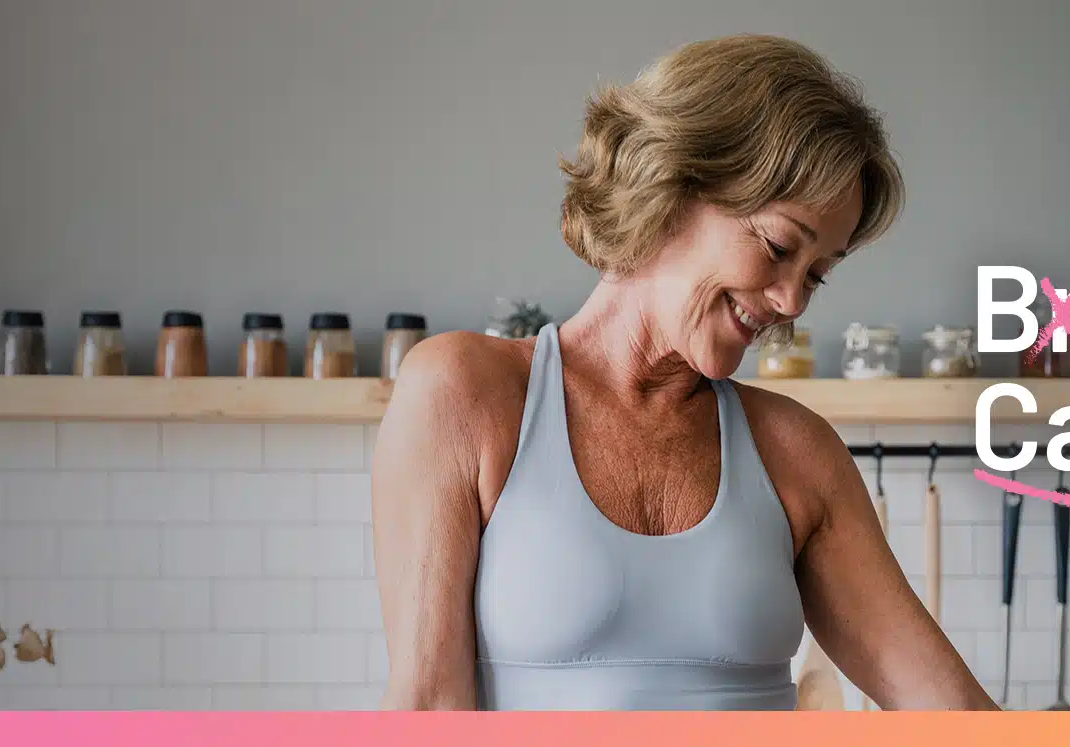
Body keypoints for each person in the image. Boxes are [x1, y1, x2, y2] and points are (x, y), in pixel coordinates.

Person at [371, 33, 993, 711]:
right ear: (673, 184)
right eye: (779, 245)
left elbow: (951, 712)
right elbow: (428, 705)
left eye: (816, 273)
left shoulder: (796, 452)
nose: (791, 300)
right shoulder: (464, 393)